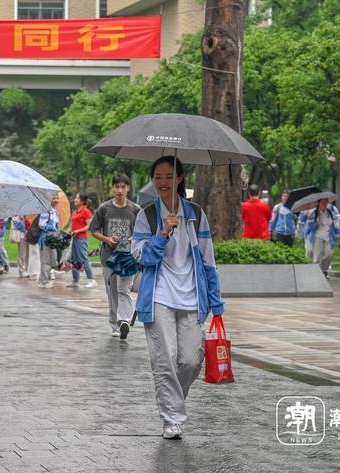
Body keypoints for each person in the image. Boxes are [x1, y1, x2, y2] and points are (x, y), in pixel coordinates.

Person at [131, 156, 224, 441]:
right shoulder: (146, 215)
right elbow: (142, 257)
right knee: (165, 359)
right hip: (158, 295)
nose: (163, 182)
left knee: (190, 361)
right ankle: (172, 419)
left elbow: (208, 262)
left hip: (192, 298)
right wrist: (162, 233)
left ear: (180, 179)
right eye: (157, 176)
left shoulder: (195, 214)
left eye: (169, 176)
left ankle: (173, 402)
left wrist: (216, 303)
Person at [89, 174, 141, 339]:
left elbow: (143, 231)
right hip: (108, 258)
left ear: (128, 188)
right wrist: (107, 239)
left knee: (124, 290)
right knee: (112, 292)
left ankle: (123, 321)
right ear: (113, 188)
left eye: (123, 187)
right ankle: (115, 324)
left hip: (127, 258)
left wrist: (134, 238)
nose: (119, 190)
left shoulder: (136, 210)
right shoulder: (104, 208)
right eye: (117, 187)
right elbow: (94, 230)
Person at [303, 198, 340, 277]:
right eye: (322, 203)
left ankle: (324, 269)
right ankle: (316, 273)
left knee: (329, 254)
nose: (324, 204)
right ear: (318, 203)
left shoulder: (330, 212)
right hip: (317, 236)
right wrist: (316, 223)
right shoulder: (314, 213)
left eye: (325, 202)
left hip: (329, 236)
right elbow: (310, 227)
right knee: (317, 256)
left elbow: (336, 222)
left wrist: (338, 233)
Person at [67, 193, 97, 288]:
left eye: (77, 198)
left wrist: (78, 230)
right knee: (74, 259)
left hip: (81, 238)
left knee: (83, 258)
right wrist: (68, 232)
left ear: (82, 201)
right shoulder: (75, 211)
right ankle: (75, 281)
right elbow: (72, 225)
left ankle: (91, 279)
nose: (75, 199)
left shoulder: (86, 211)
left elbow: (89, 225)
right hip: (74, 238)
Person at [37, 196, 60, 288]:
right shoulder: (46, 210)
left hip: (52, 239)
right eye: (54, 198)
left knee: (52, 260)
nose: (56, 200)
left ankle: (43, 279)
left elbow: (56, 224)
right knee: (45, 260)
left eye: (57, 198)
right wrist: (52, 228)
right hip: (46, 239)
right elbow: (41, 224)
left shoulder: (54, 211)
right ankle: (43, 281)